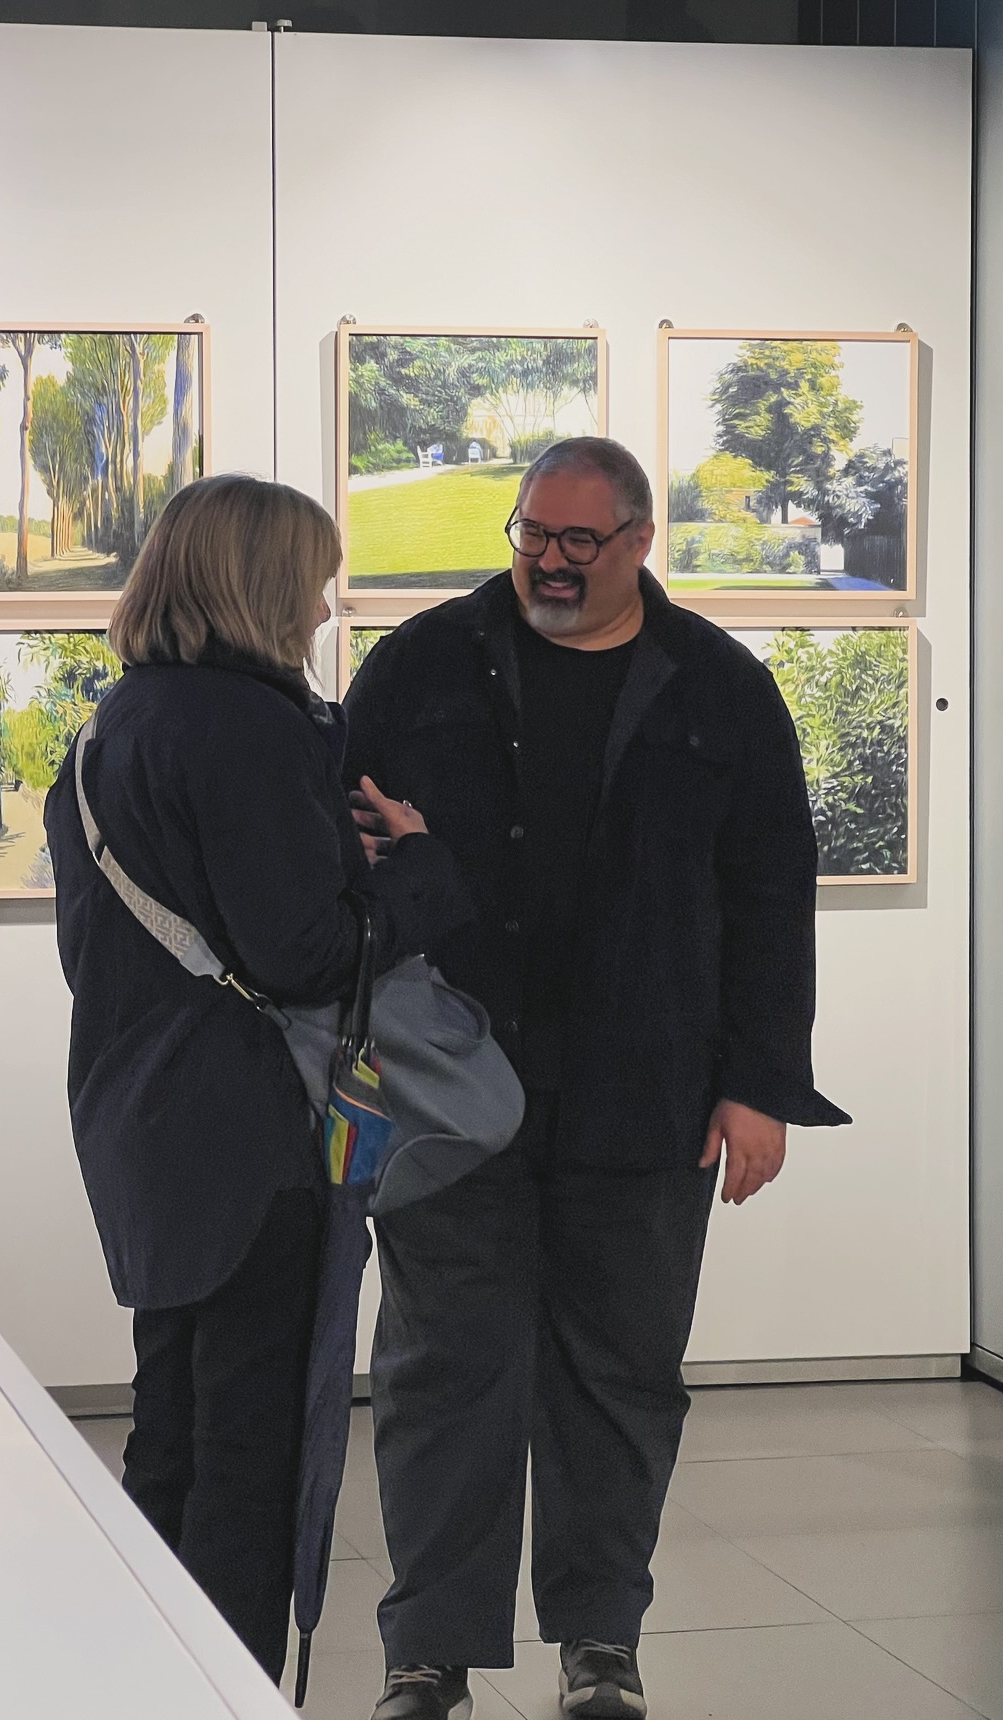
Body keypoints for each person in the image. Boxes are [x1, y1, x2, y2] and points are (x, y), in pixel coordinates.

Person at [343, 437, 849, 1720]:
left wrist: (760, 1085)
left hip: (648, 1094)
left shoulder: (721, 688)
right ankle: (429, 1652)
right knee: (441, 1373)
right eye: (533, 535)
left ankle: (600, 1641)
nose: (551, 563)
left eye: (580, 542)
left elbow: (772, 896)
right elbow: (344, 852)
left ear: (638, 542)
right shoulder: (420, 665)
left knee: (620, 1379)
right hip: (451, 1094)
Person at [44, 473, 472, 1684]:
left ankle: (152, 1678)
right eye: (316, 582)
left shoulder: (115, 723)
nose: (326, 607)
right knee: (252, 1448)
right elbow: (304, 953)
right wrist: (417, 871)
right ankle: (225, 1689)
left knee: (171, 1428)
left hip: (141, 1117)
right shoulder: (248, 730)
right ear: (263, 586)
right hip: (258, 1132)